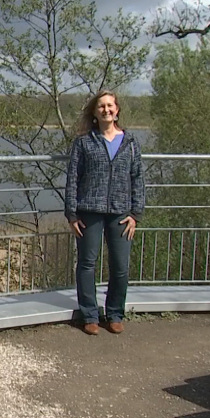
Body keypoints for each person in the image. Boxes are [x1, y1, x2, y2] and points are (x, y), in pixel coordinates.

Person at [65, 90, 145, 335]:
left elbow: (138, 179)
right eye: (101, 106)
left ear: (117, 110)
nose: (106, 110)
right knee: (87, 264)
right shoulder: (83, 142)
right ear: (94, 112)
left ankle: (114, 313)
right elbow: (73, 179)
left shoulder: (130, 143)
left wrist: (136, 213)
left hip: (121, 213)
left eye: (110, 105)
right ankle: (89, 314)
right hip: (89, 210)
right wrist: (71, 213)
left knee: (120, 266)